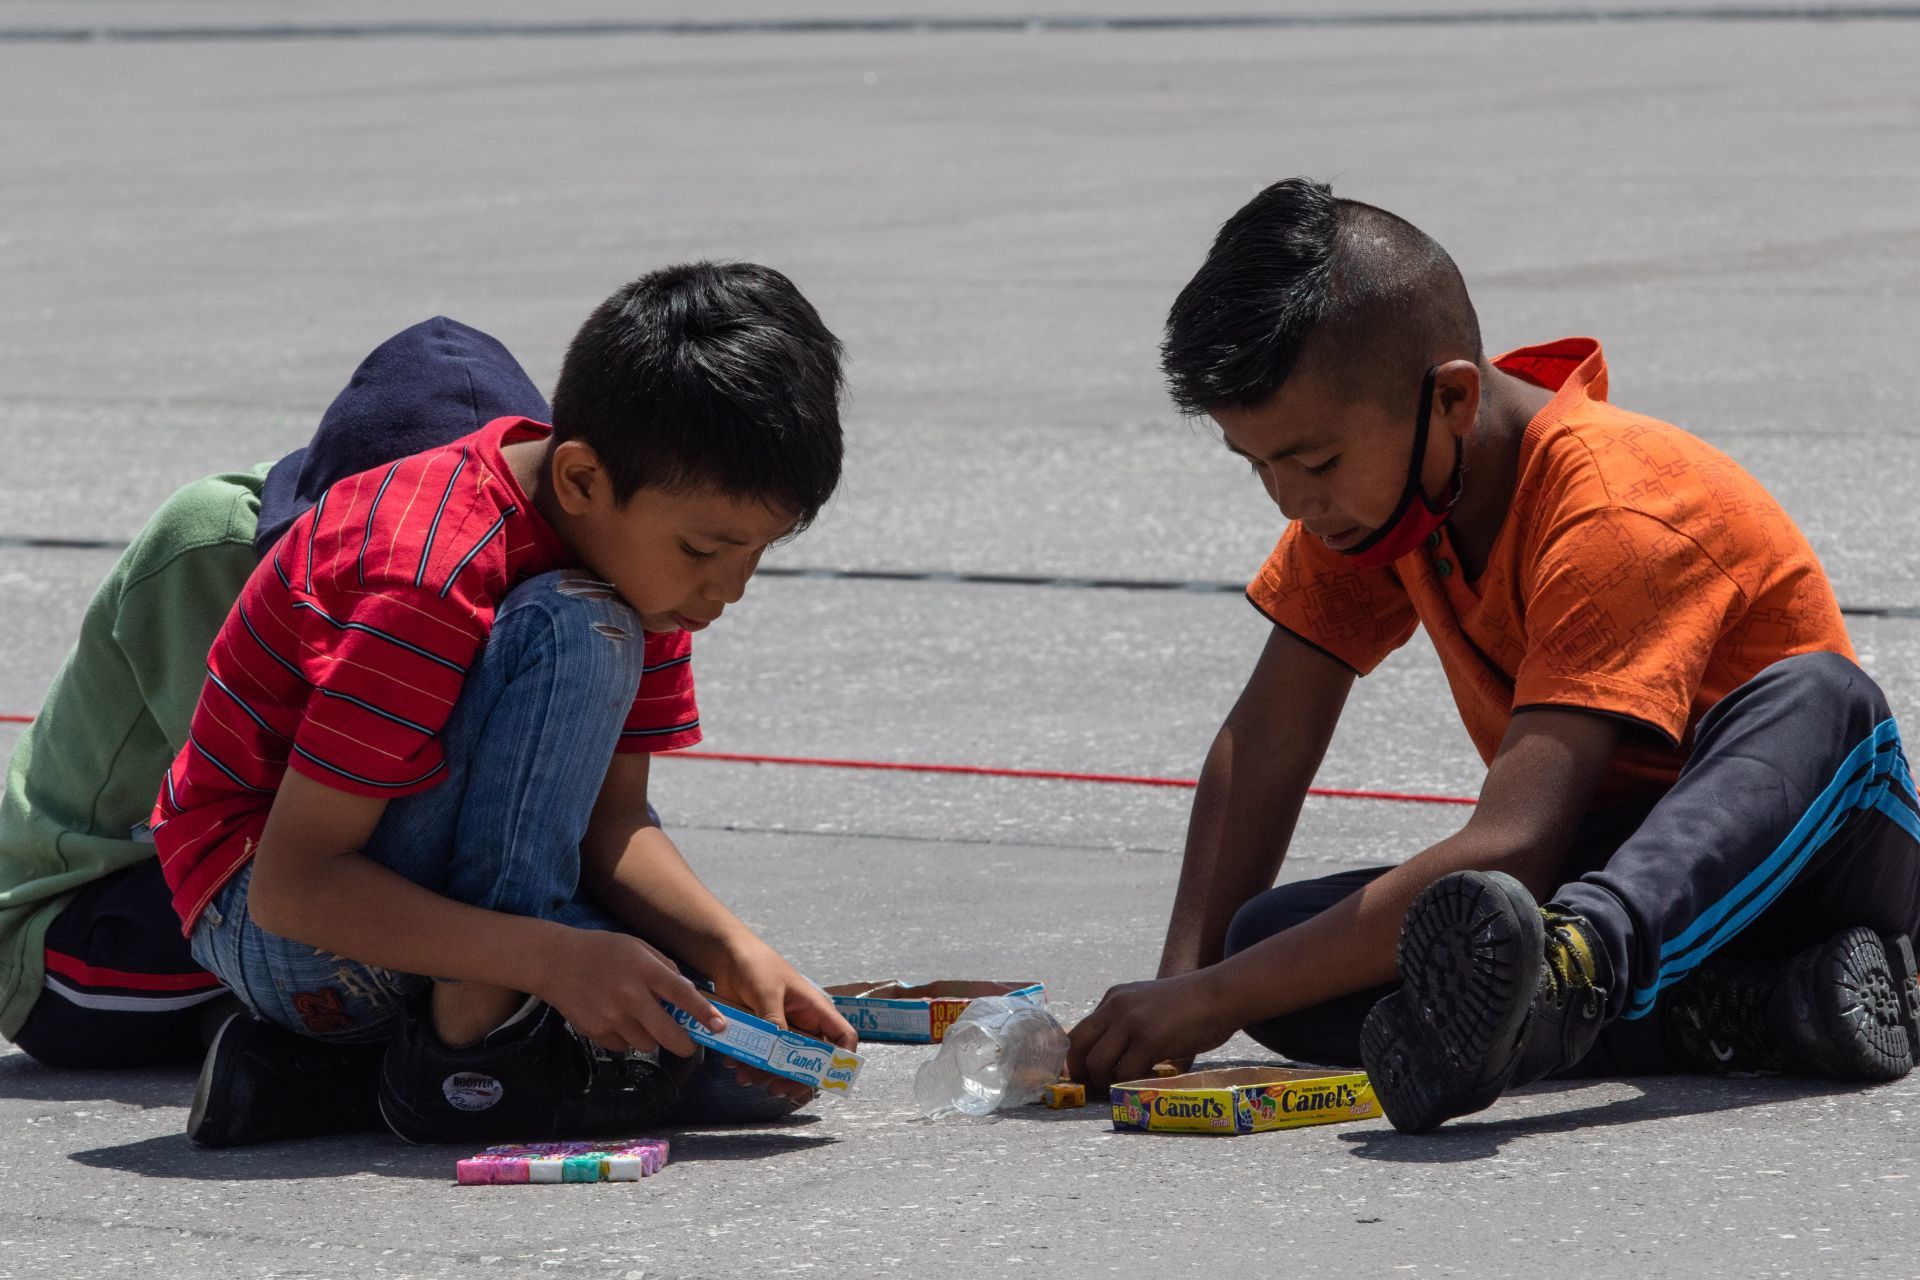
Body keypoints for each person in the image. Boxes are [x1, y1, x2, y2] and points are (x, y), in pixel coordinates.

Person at [1065, 178, 1920, 1133]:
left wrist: (1213, 999)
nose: (1288, 502)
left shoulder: (1617, 508)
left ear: (1454, 399)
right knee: (1262, 946)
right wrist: (1181, 997)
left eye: (1311, 462)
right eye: (1256, 465)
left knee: (1822, 694)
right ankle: (1753, 1012)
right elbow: (1269, 736)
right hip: (1596, 889)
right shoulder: (1378, 506)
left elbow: (1517, 842)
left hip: (1808, 852)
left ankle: (1572, 988)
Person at [157, 262, 858, 1148]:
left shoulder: (642, 557)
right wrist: (551, 958)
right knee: (581, 628)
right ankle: (469, 1054)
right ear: (579, 480)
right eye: (706, 550)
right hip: (279, 920)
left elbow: (610, 824)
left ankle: (333, 1079)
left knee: (734, 1050)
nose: (730, 589)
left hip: (409, 892)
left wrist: (731, 951)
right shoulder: (431, 573)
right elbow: (296, 892)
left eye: (755, 554)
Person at [0, 315, 546, 1073]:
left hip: (268, 876)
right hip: (84, 923)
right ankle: (330, 1062)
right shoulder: (215, 546)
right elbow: (266, 817)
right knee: (439, 939)